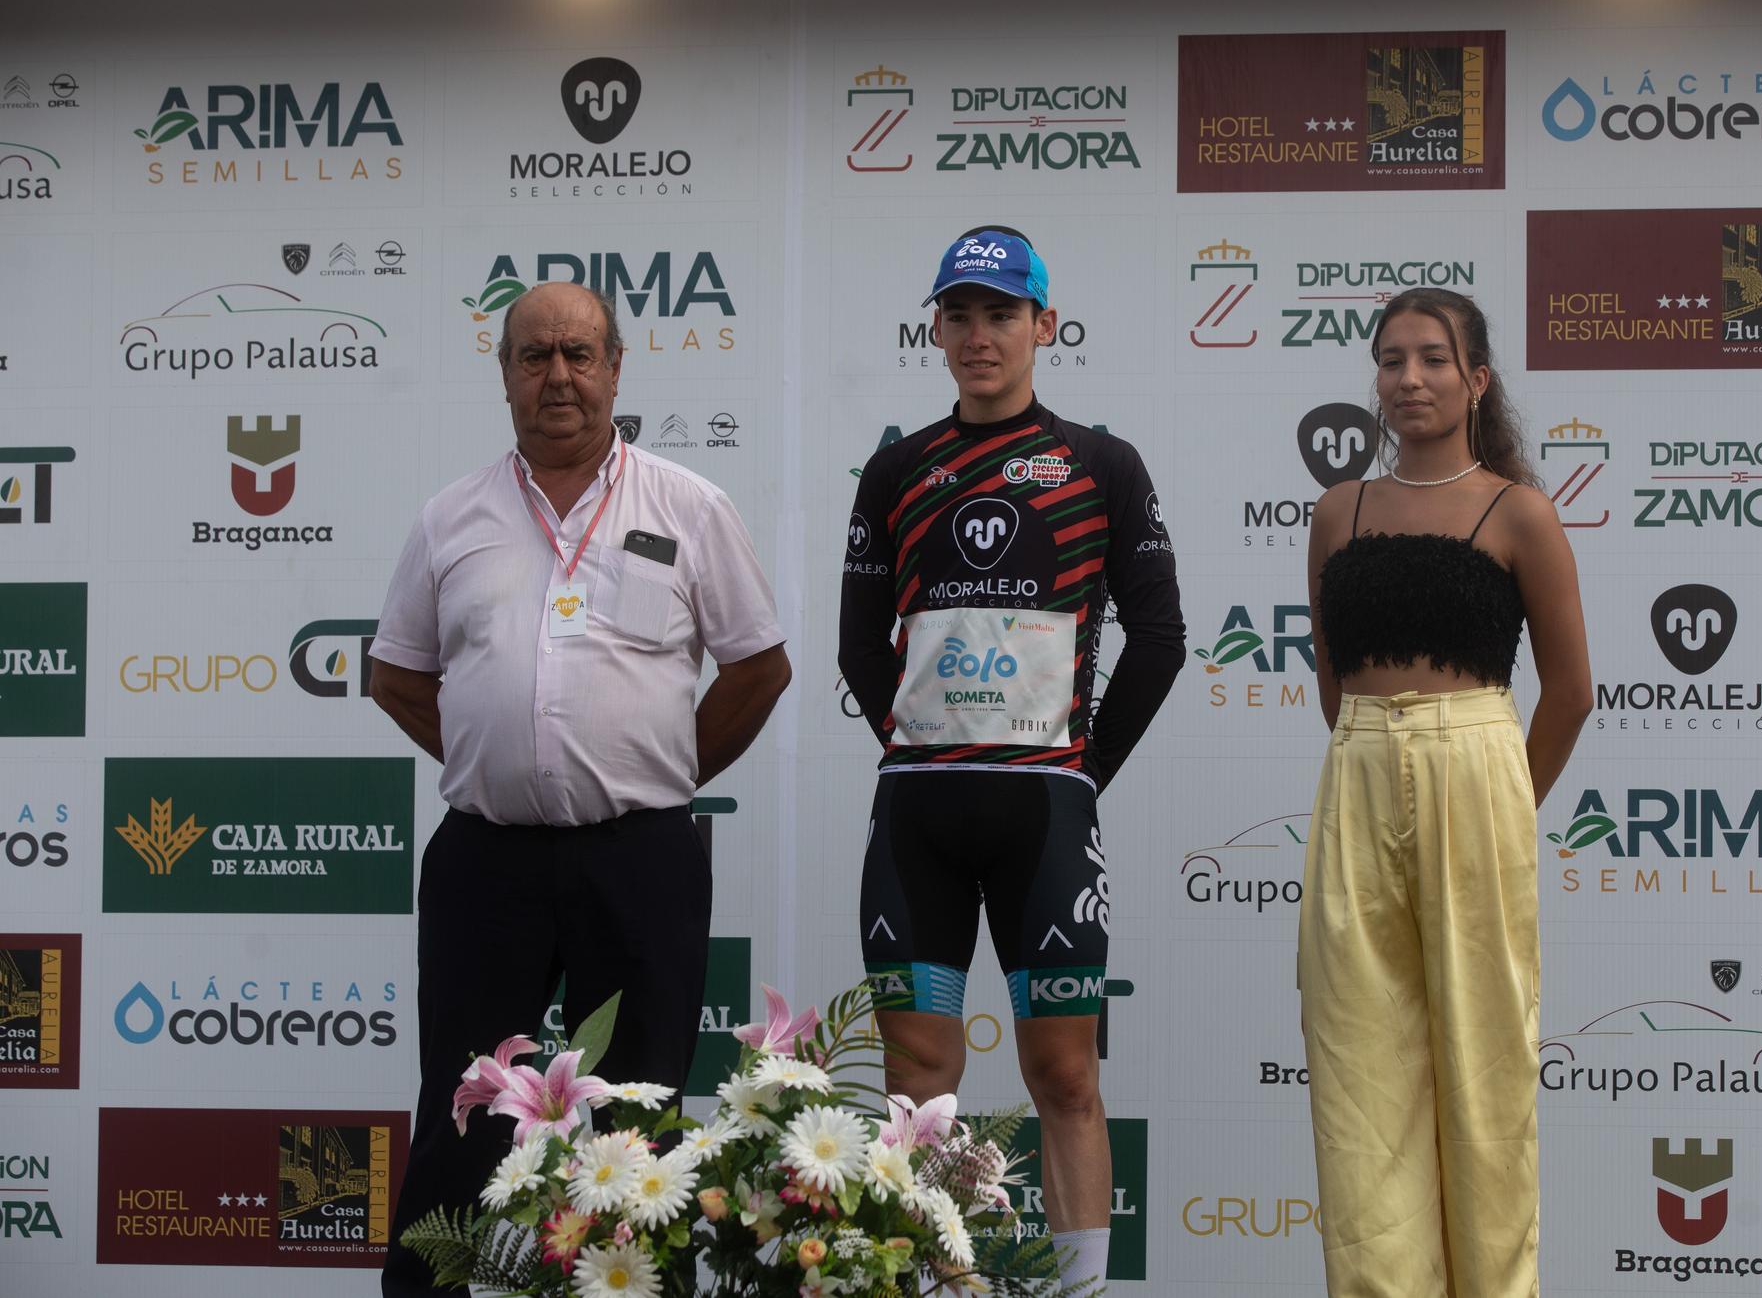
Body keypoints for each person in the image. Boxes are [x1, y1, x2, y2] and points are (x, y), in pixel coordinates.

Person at [369, 281, 792, 1298]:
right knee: (464, 1112)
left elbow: (759, 666)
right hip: (486, 860)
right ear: (505, 373)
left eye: (578, 353)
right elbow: (394, 673)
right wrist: (489, 749)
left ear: (615, 367)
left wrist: (665, 772)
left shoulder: (689, 506)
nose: (556, 375)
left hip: (638, 857)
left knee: (643, 1122)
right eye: (533, 356)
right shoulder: (449, 517)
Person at [838, 226, 1184, 1293]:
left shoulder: (1098, 463)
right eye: (959, 314)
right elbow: (858, 645)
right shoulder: (896, 468)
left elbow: (1160, 638)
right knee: (916, 1084)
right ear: (934, 329)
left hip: (1044, 818)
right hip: (918, 819)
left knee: (1065, 1077)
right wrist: (924, 749)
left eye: (1000, 314)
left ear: (1044, 324)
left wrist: (1080, 771)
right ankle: (922, 1280)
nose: (978, 336)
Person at [1300, 287, 1590, 1298]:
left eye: (1431, 358)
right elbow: (1331, 676)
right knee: (1356, 1066)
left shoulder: (1519, 511)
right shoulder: (1338, 511)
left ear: (1474, 378)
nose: (1407, 378)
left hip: (1479, 768)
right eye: (1389, 359)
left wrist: (1505, 798)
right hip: (1357, 764)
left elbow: (1570, 689)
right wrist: (1377, 756)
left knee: (1483, 1066)